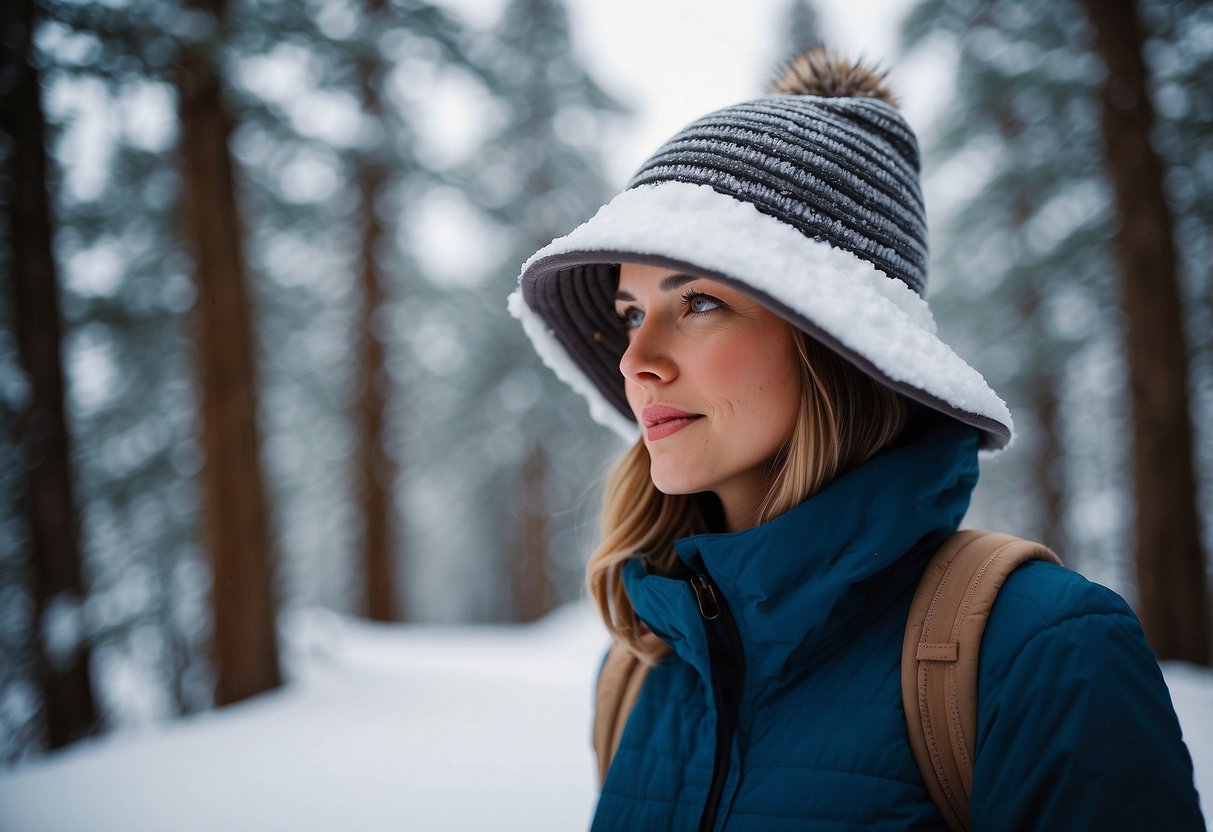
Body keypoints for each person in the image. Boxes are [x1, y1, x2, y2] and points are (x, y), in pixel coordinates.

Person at [508, 48, 1204, 830]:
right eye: (631, 314)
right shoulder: (643, 671)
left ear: (831, 339)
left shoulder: (1042, 652)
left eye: (696, 302)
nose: (636, 360)